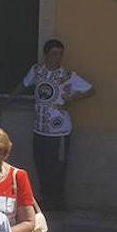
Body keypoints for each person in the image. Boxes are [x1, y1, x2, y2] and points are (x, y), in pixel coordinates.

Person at [15, 39, 93, 211]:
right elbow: (24, 84)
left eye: (60, 54)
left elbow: (90, 90)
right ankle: (46, 199)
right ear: (46, 55)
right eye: (54, 54)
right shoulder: (37, 71)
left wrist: (70, 100)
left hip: (59, 131)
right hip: (39, 128)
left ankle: (58, 202)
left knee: (57, 167)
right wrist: (9, 98)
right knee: (41, 165)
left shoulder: (67, 75)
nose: (57, 57)